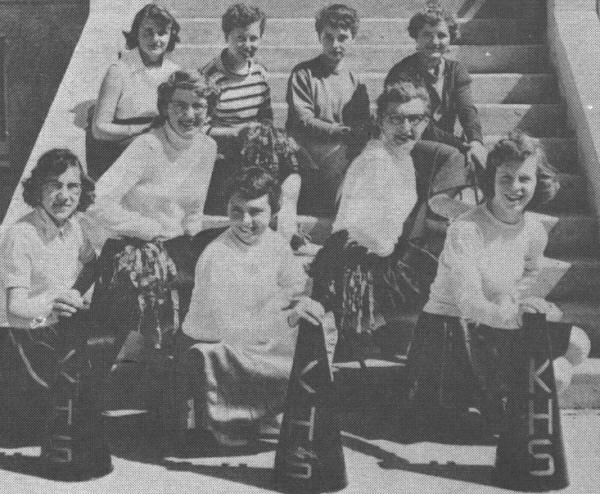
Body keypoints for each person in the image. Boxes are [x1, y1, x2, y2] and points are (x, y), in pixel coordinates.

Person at [406, 131, 591, 440]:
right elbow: (469, 303)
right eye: (506, 178)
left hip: (495, 325)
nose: (515, 188)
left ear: (537, 182)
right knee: (553, 374)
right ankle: (512, 411)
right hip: (452, 334)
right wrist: (516, 315)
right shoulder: (467, 229)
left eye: (524, 179)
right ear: (491, 179)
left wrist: (524, 302)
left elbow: (527, 276)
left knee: (578, 343)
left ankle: (517, 406)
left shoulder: (534, 231)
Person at [177, 167, 336, 449]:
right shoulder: (217, 255)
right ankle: (235, 417)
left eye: (255, 212)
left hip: (256, 333)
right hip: (216, 342)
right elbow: (230, 328)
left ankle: (274, 412)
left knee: (322, 324)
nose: (244, 221)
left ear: (273, 212)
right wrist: (287, 318)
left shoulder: (275, 243)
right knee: (235, 353)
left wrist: (302, 302)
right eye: (236, 211)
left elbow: (295, 285)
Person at [85, 71, 217, 410]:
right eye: (180, 105)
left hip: (176, 248)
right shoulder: (147, 146)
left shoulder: (207, 146)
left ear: (209, 110)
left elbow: (194, 210)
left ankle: (172, 403)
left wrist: (193, 246)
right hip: (132, 248)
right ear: (165, 107)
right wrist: (145, 228)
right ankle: (100, 401)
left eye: (198, 106)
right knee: (138, 321)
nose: (189, 114)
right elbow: (95, 203)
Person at [310, 80, 468, 361]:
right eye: (395, 119)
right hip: (358, 271)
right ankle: (377, 325)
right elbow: (373, 239)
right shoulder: (377, 162)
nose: (406, 128)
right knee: (453, 271)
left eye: (415, 119)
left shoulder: (400, 154)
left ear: (427, 121)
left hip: (370, 262)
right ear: (380, 121)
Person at [0, 149, 96, 444]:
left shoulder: (75, 227)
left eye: (73, 186)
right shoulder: (20, 234)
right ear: (38, 188)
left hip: (54, 329)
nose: (64, 196)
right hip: (18, 338)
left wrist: (75, 292)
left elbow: (93, 264)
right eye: (54, 185)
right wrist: (55, 305)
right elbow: (15, 307)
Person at [286, 3, 371, 216]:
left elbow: (362, 121)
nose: (335, 44)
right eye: (328, 37)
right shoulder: (303, 73)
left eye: (342, 38)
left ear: (352, 38)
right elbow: (303, 119)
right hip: (308, 148)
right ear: (319, 37)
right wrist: (336, 131)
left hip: (342, 149)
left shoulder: (355, 81)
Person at [384, 7, 487, 168]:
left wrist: (475, 141)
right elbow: (417, 123)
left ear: (450, 39)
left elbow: (467, 109)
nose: (435, 42)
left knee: (479, 157)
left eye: (442, 35)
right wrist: (460, 145)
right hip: (409, 144)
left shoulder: (455, 70)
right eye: (427, 35)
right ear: (416, 37)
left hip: (446, 146)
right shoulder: (401, 73)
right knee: (456, 157)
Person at [87, 3, 181, 180]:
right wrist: (143, 129)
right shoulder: (119, 71)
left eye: (162, 32)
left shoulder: (174, 72)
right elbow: (99, 129)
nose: (155, 39)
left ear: (171, 36)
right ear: (136, 33)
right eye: (148, 32)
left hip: (158, 143)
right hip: (119, 146)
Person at [200, 3, 273, 215]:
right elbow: (198, 127)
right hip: (220, 152)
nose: (247, 45)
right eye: (240, 38)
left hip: (251, 151)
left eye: (253, 38)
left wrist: (260, 134)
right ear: (227, 37)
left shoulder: (260, 72)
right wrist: (233, 133)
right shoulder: (211, 76)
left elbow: (266, 116)